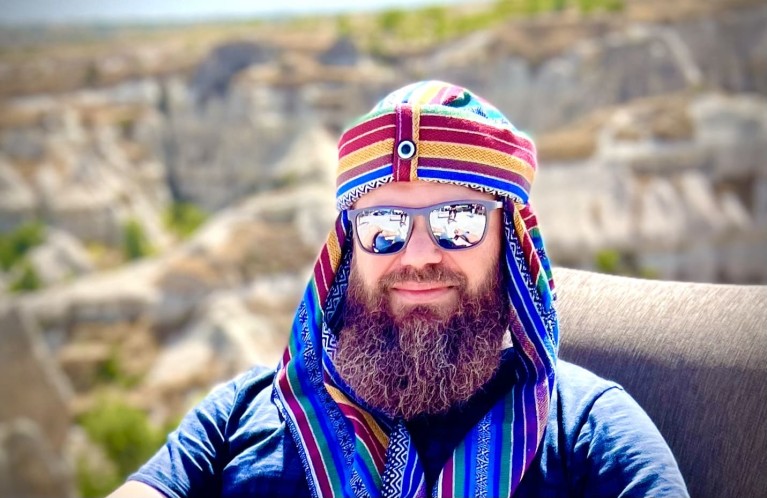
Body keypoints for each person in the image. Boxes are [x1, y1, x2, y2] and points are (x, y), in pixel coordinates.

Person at [109, 81, 689, 497]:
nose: (417, 256)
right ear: (347, 248)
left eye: (458, 221)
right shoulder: (236, 416)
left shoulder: (589, 437)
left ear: (510, 244)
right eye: (383, 227)